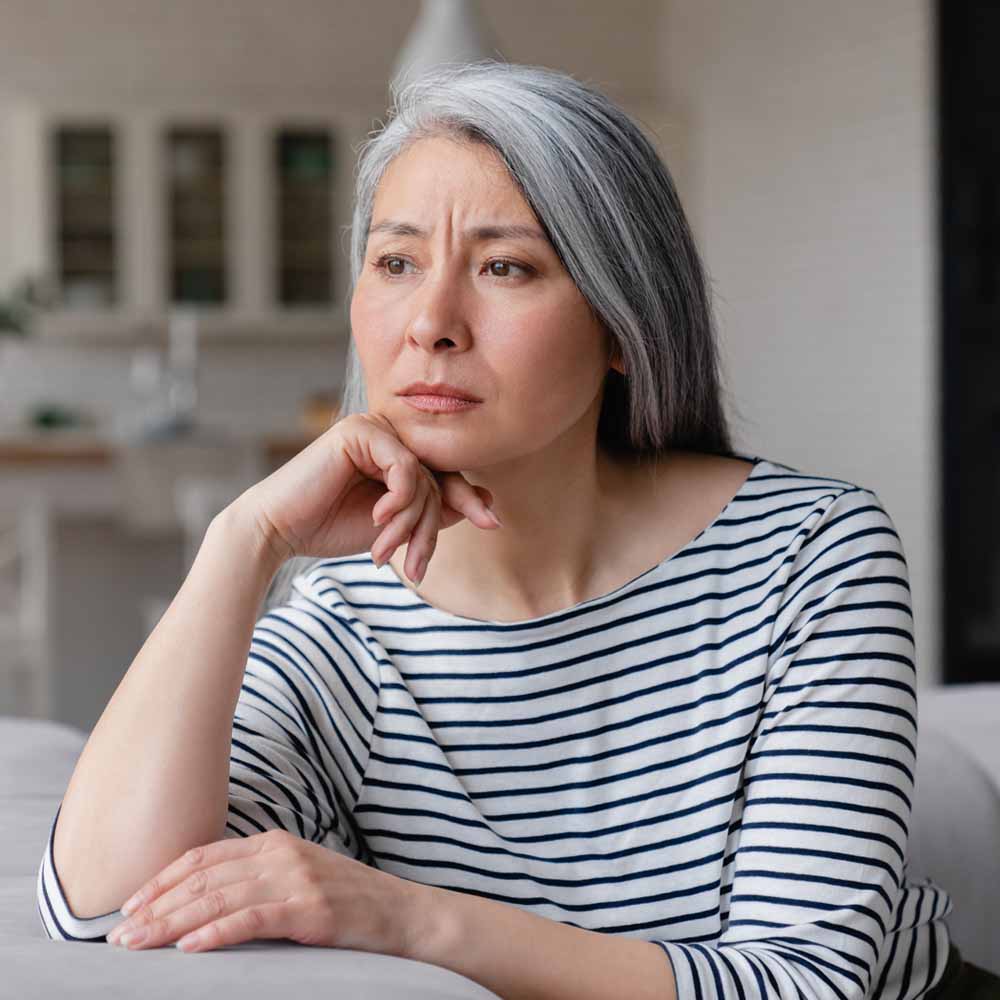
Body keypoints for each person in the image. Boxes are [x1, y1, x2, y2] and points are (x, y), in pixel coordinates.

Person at [36, 60, 977, 999]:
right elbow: (109, 908)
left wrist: (405, 917)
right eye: (396, 262)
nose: (432, 323)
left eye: (505, 267)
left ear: (622, 324)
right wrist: (242, 543)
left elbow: (807, 986)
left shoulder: (810, 552)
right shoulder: (348, 625)